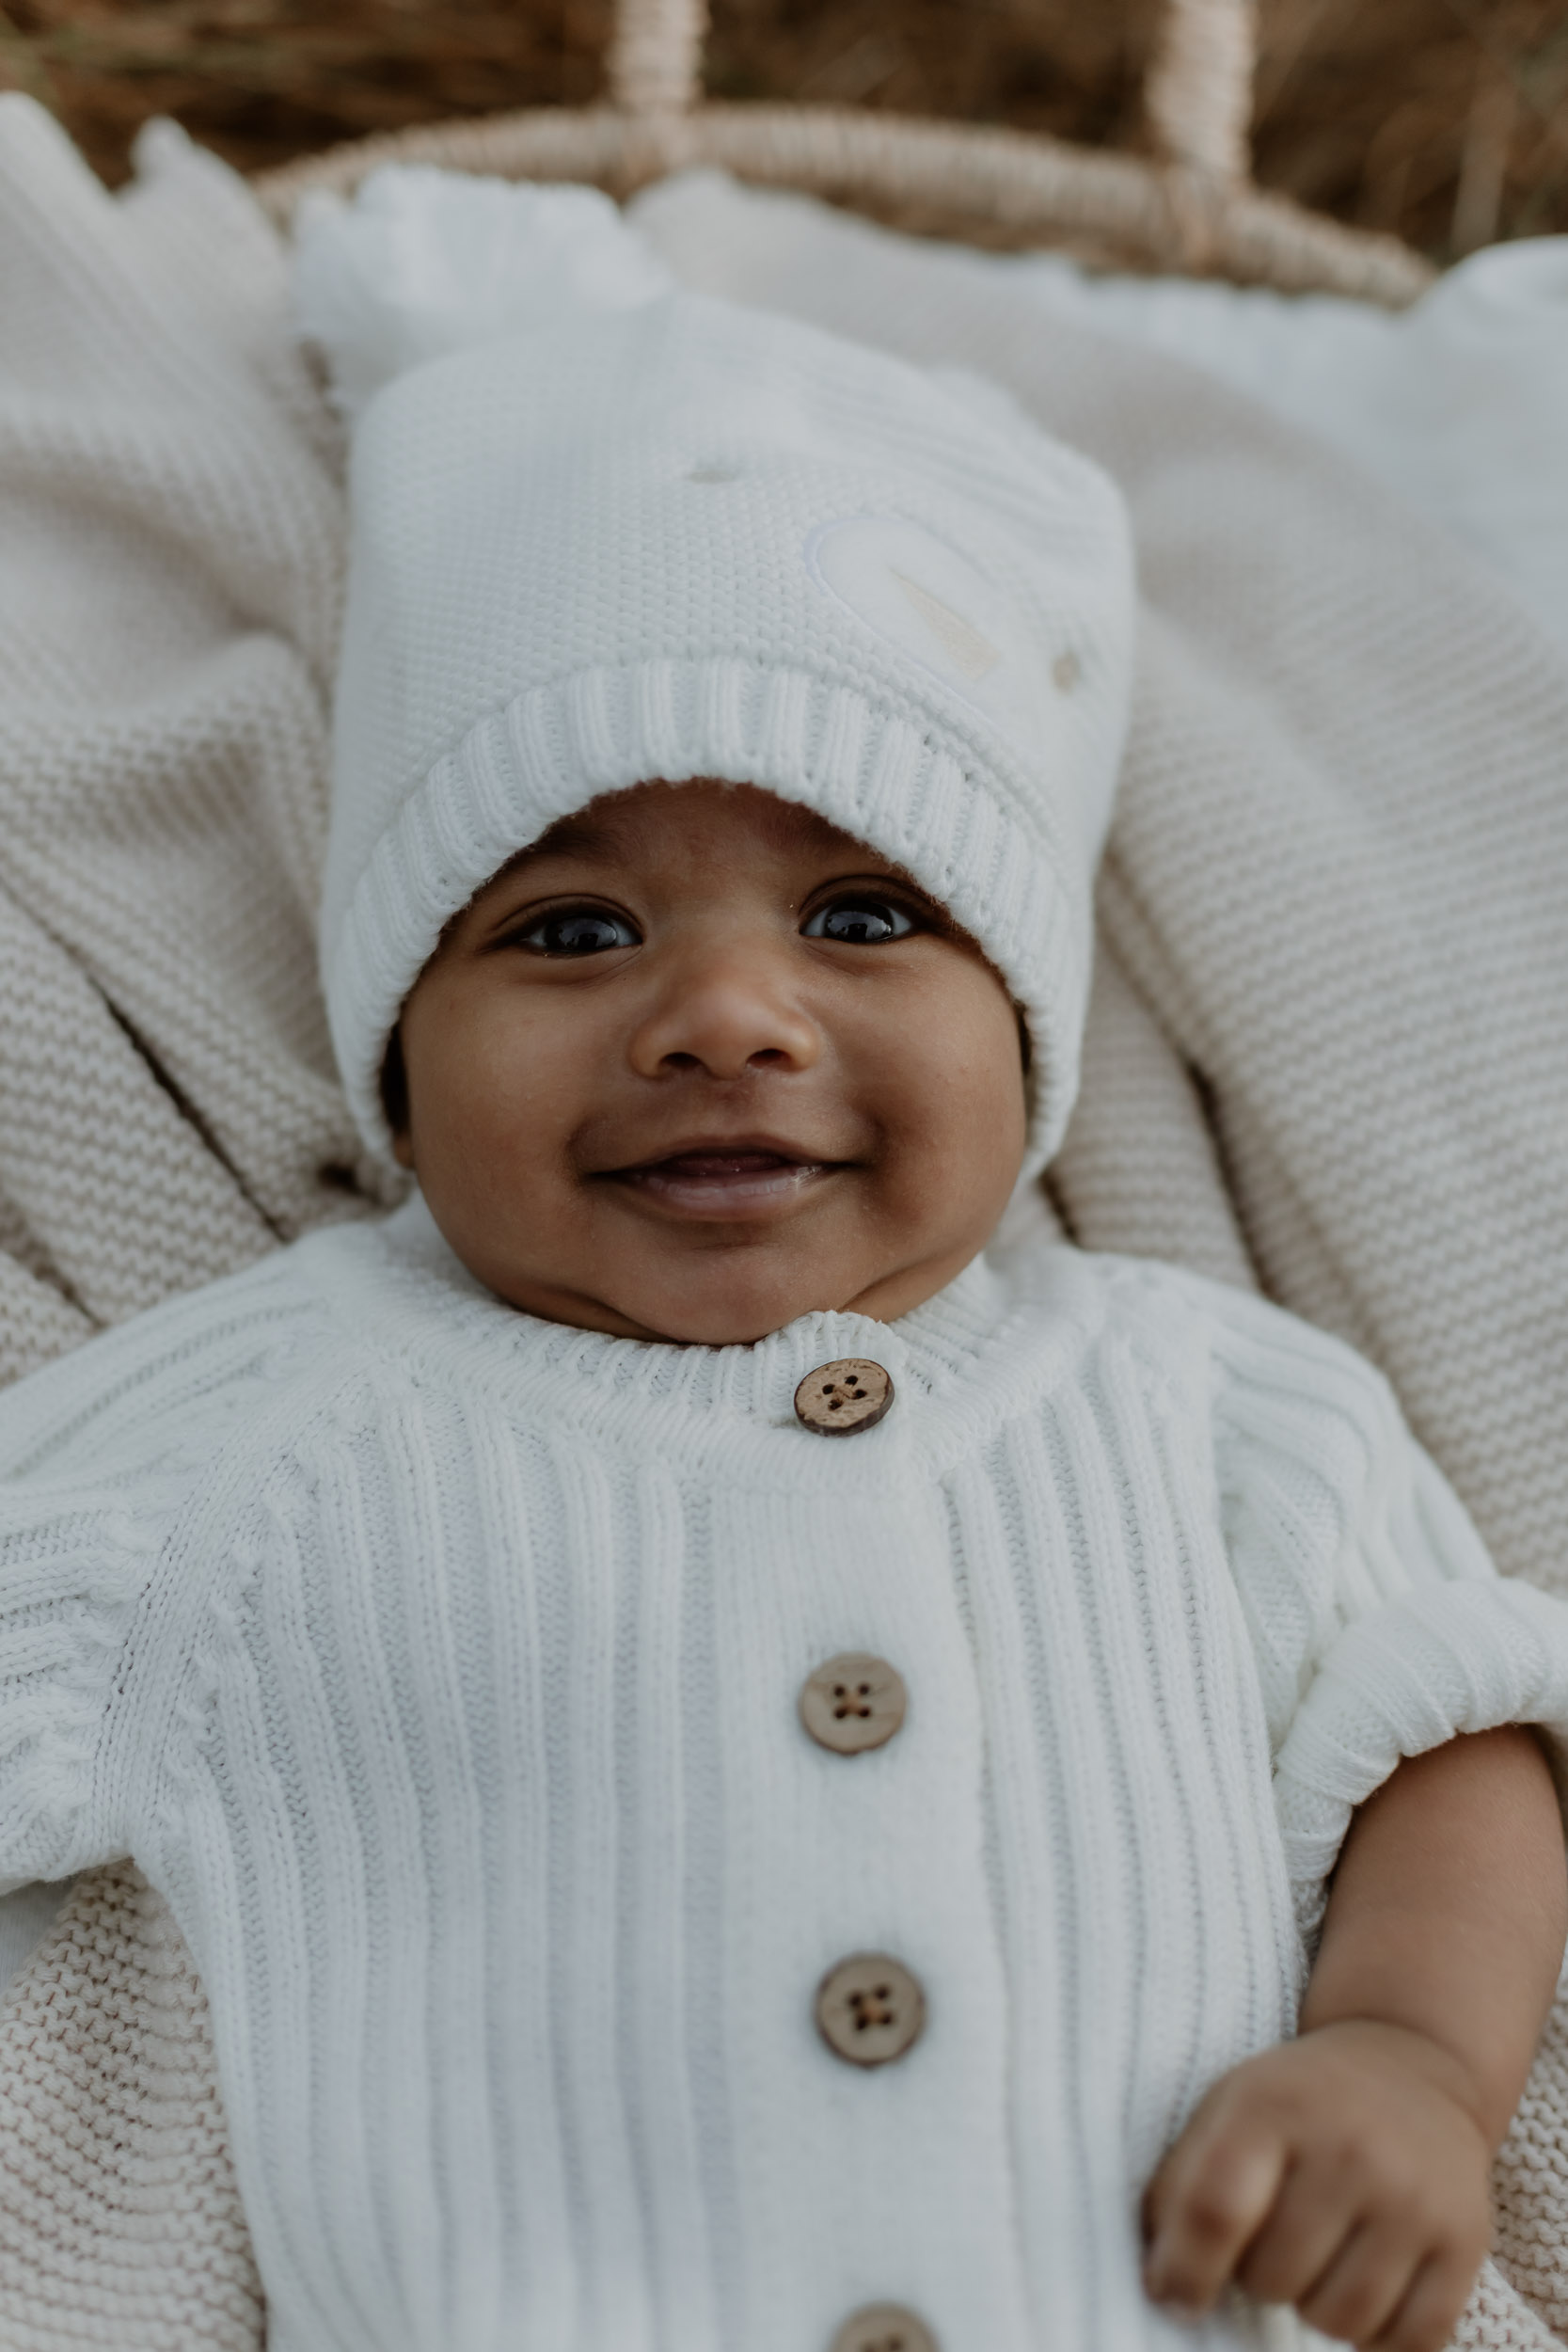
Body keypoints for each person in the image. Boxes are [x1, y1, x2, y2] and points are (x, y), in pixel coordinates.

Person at [0, 167, 1564, 2352]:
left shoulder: (1204, 1401)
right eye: (569, 928)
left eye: (859, 917)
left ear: (1028, 1029)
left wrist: (1409, 2053)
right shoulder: (265, 1426)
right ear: (394, 1050)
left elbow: (1450, 1727)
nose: (728, 1015)